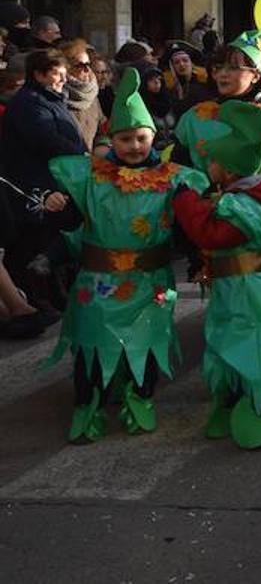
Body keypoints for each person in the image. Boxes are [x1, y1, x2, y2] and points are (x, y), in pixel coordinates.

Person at [41, 69, 208, 442]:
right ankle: (88, 407)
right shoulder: (91, 179)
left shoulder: (173, 179)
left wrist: (200, 257)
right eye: (125, 138)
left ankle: (140, 399)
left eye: (141, 138)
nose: (134, 146)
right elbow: (74, 220)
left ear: (153, 138)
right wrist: (58, 205)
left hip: (150, 284)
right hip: (98, 284)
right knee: (91, 347)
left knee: (145, 345)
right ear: (111, 139)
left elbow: (185, 226)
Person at [171, 102, 261, 449]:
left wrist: (185, 200)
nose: (208, 166)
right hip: (238, 289)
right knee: (230, 342)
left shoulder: (243, 205)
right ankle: (229, 402)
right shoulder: (241, 195)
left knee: (257, 347)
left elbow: (211, 234)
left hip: (254, 293)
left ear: (230, 171)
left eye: (213, 162)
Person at [0, 49, 88, 307]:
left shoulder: (51, 99)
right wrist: (82, 153)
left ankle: (55, 294)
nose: (63, 79)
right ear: (38, 74)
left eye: (63, 74)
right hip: (35, 182)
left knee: (55, 236)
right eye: (56, 74)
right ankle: (38, 298)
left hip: (58, 180)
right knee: (37, 241)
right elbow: (45, 139)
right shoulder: (29, 102)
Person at [172, 31, 261, 173]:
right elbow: (177, 171)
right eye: (218, 67)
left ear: (255, 75)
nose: (223, 73)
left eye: (233, 68)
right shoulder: (193, 118)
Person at [60, 39, 105, 151]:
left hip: (89, 160)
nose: (87, 69)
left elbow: (102, 129)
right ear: (66, 67)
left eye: (88, 64)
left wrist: (102, 146)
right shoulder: (57, 95)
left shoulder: (91, 95)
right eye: (80, 65)